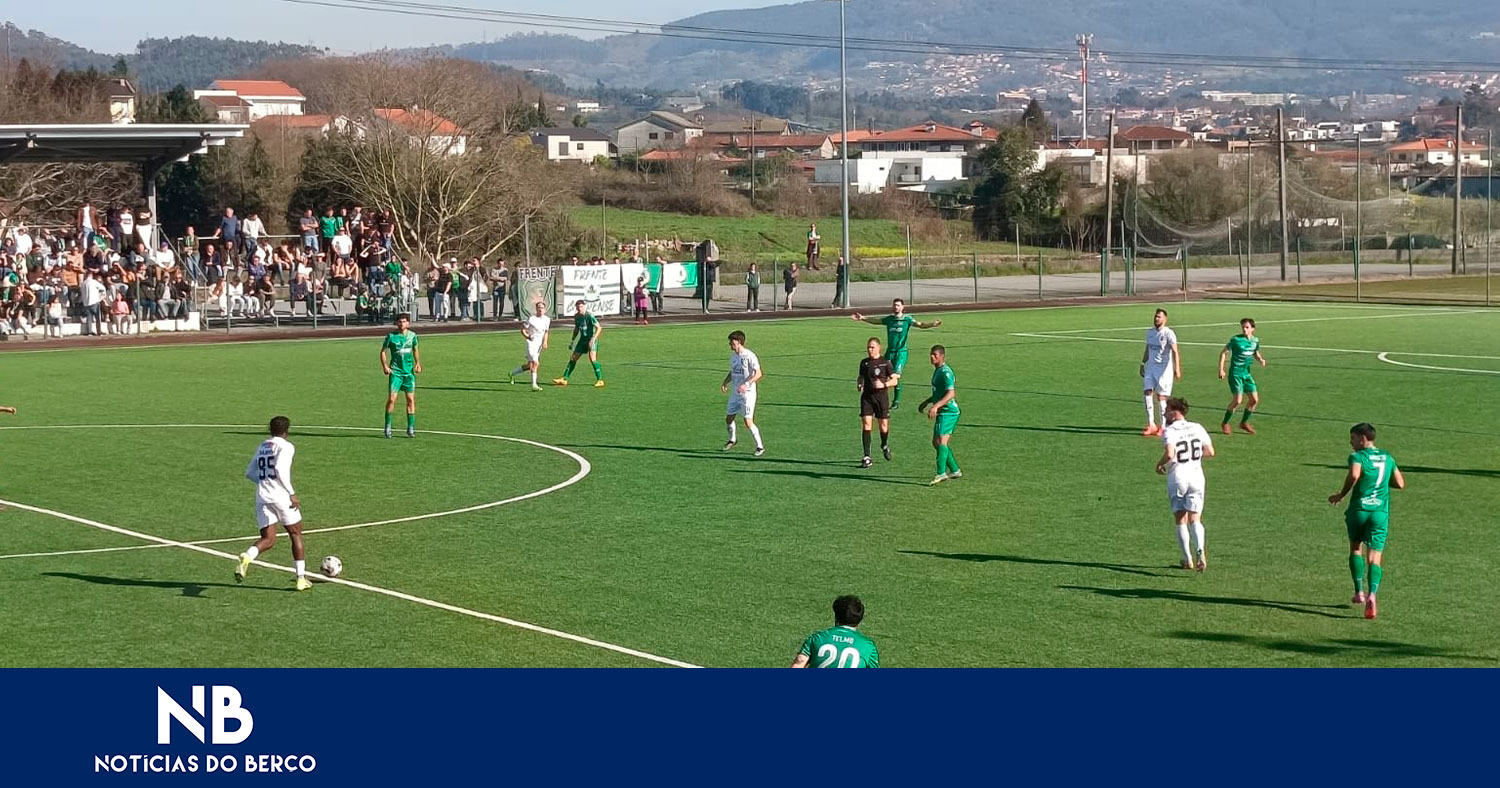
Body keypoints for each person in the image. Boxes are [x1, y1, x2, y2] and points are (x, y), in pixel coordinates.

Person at [1328, 423, 1406, 620]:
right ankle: (1372, 594)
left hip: (1359, 510)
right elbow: (1400, 483)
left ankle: (1358, 592)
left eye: (1353, 438)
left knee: (1355, 548)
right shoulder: (1388, 457)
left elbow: (1354, 475)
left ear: (1363, 438)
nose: (1350, 442)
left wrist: (1341, 495)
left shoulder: (1357, 457)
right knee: (1374, 557)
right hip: (1379, 512)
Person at [235, 416, 313, 592]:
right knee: (295, 533)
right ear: (287, 430)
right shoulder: (286, 447)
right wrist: (291, 493)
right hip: (281, 497)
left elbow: (249, 472)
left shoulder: (263, 446)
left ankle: (247, 556)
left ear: (269, 429)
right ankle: (301, 578)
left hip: (262, 497)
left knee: (268, 539)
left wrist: (265, 482)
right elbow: (279, 469)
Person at [1154, 397, 1216, 571]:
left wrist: (1159, 464)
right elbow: (1210, 452)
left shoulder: (1170, 430)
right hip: (1197, 476)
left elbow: (1170, 452)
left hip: (1178, 477)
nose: (1164, 414)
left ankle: (1187, 558)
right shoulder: (1197, 427)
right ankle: (1200, 550)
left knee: (1180, 518)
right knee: (1195, 517)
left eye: (1166, 411)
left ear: (1174, 413)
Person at [850, 299, 941, 410]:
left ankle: (896, 401)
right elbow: (877, 321)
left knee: (895, 376)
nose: (896, 307)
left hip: (901, 353)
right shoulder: (890, 319)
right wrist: (863, 318)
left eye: (898, 305)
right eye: (894, 305)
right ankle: (879, 399)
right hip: (890, 352)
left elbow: (921, 325)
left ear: (903, 307)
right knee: (884, 375)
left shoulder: (907, 319)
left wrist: (932, 324)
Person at [790, 595, 878, 668]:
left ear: (836, 616)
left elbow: (799, 662)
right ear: (860, 619)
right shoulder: (868, 646)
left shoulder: (817, 638)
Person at [917, 345, 961, 486]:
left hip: (949, 412)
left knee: (941, 441)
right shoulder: (938, 371)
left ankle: (941, 473)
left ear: (942, 356)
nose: (932, 357)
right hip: (943, 411)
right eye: (931, 354)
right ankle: (954, 469)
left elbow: (951, 393)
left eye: (935, 355)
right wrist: (927, 402)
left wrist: (936, 406)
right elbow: (938, 393)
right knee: (936, 442)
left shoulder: (946, 373)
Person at [1218, 317, 1268, 435]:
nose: (1244, 329)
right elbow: (1224, 353)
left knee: (1254, 400)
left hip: (1246, 374)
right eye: (1243, 327)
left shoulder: (1255, 341)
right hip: (1236, 373)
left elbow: (1255, 352)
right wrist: (1221, 369)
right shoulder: (1235, 340)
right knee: (1238, 401)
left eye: (1247, 327)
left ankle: (1243, 423)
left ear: (1253, 329)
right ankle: (1225, 423)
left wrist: (1260, 359)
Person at [721, 329, 765, 456]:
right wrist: (725, 382)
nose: (730, 344)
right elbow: (733, 371)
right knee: (729, 418)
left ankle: (760, 447)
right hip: (735, 392)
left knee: (748, 421)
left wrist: (746, 384)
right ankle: (732, 440)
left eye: (732, 342)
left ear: (739, 342)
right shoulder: (734, 356)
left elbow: (759, 374)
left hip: (748, 394)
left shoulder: (750, 356)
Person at [1139, 308, 1181, 437]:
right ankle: (1151, 424)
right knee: (1147, 393)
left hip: (1164, 370)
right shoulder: (1150, 332)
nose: (1156, 319)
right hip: (1150, 368)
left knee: (1161, 398)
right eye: (1156, 316)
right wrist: (1142, 363)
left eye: (1159, 317)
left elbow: (1175, 351)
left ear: (1165, 319)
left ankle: (1163, 427)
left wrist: (1177, 368)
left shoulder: (1169, 333)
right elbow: (1148, 348)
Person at [380, 313, 422, 438]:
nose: (402, 324)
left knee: (410, 400)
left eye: (404, 321)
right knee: (392, 399)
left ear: (408, 323)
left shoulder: (412, 336)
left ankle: (410, 427)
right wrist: (385, 366)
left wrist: (418, 363)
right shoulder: (391, 337)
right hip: (396, 373)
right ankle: (388, 426)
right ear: (397, 323)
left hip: (408, 373)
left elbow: (415, 349)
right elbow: (383, 352)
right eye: (400, 321)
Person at [856, 337, 895, 468]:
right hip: (867, 397)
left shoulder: (886, 363)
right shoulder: (864, 363)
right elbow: (860, 377)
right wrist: (860, 384)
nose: (870, 350)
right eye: (868, 347)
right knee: (867, 424)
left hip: (881, 398)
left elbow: (894, 381)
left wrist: (884, 384)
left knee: (883, 425)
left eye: (872, 347)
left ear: (879, 348)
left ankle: (884, 444)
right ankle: (867, 456)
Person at [554, 300, 604, 387]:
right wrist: (572, 340)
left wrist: (593, 338)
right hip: (582, 340)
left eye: (581, 307)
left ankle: (600, 380)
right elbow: (576, 329)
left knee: (592, 359)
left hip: (591, 339)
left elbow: (599, 328)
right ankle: (564, 379)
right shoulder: (577, 316)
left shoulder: (589, 316)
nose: (579, 309)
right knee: (573, 358)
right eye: (577, 307)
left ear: (584, 306)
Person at [509, 300, 551, 391]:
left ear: (545, 309)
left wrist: (545, 342)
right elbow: (523, 330)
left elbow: (546, 332)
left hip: (539, 345)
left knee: (529, 366)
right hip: (531, 343)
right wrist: (527, 337)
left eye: (542, 307)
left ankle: (512, 373)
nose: (540, 309)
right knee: (535, 363)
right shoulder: (531, 319)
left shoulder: (547, 319)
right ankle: (534, 385)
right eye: (539, 307)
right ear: (536, 309)